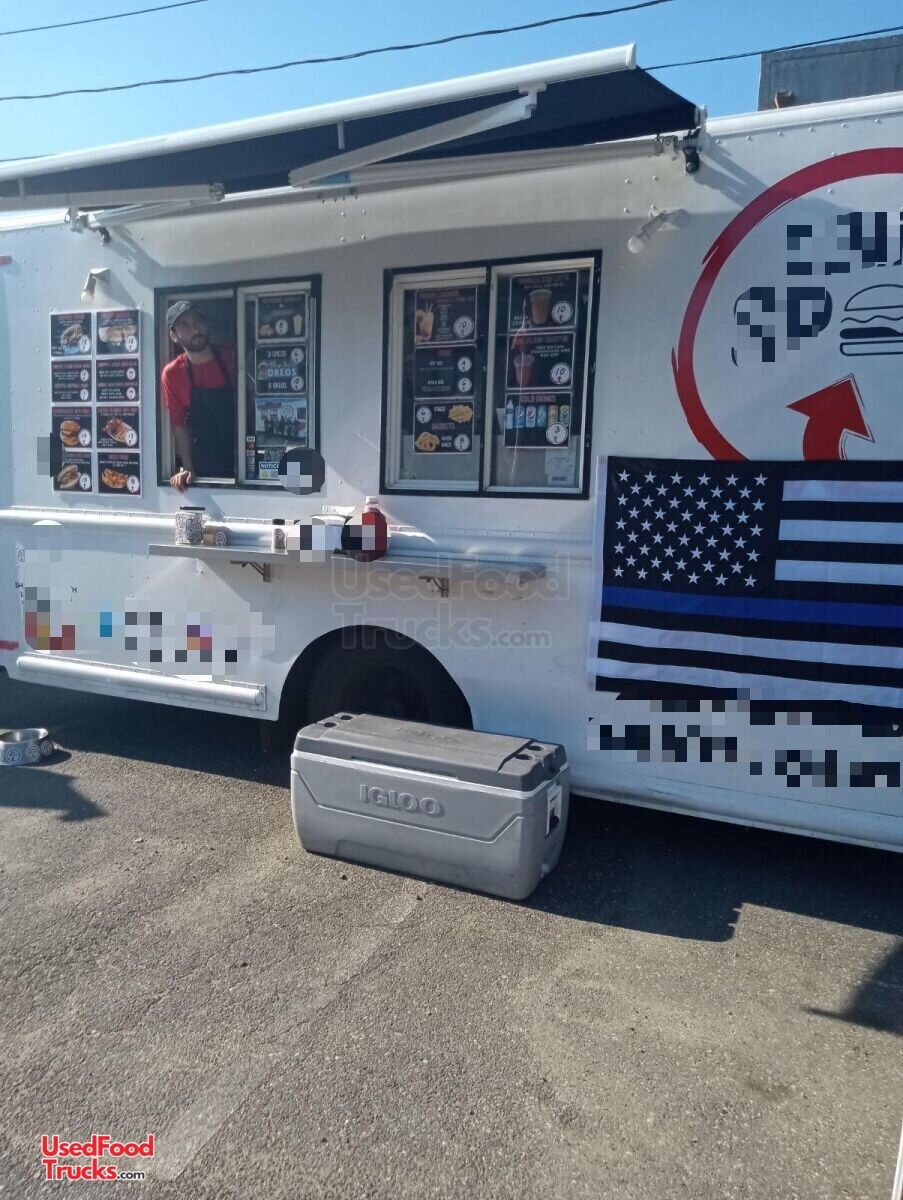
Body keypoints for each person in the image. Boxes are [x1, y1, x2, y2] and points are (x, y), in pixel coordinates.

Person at [162, 301, 236, 490]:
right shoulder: (173, 374)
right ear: (173, 336)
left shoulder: (232, 357)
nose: (195, 329)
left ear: (206, 324)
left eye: (197, 321)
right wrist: (187, 467)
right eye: (185, 325)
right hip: (206, 467)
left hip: (243, 457)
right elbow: (178, 423)